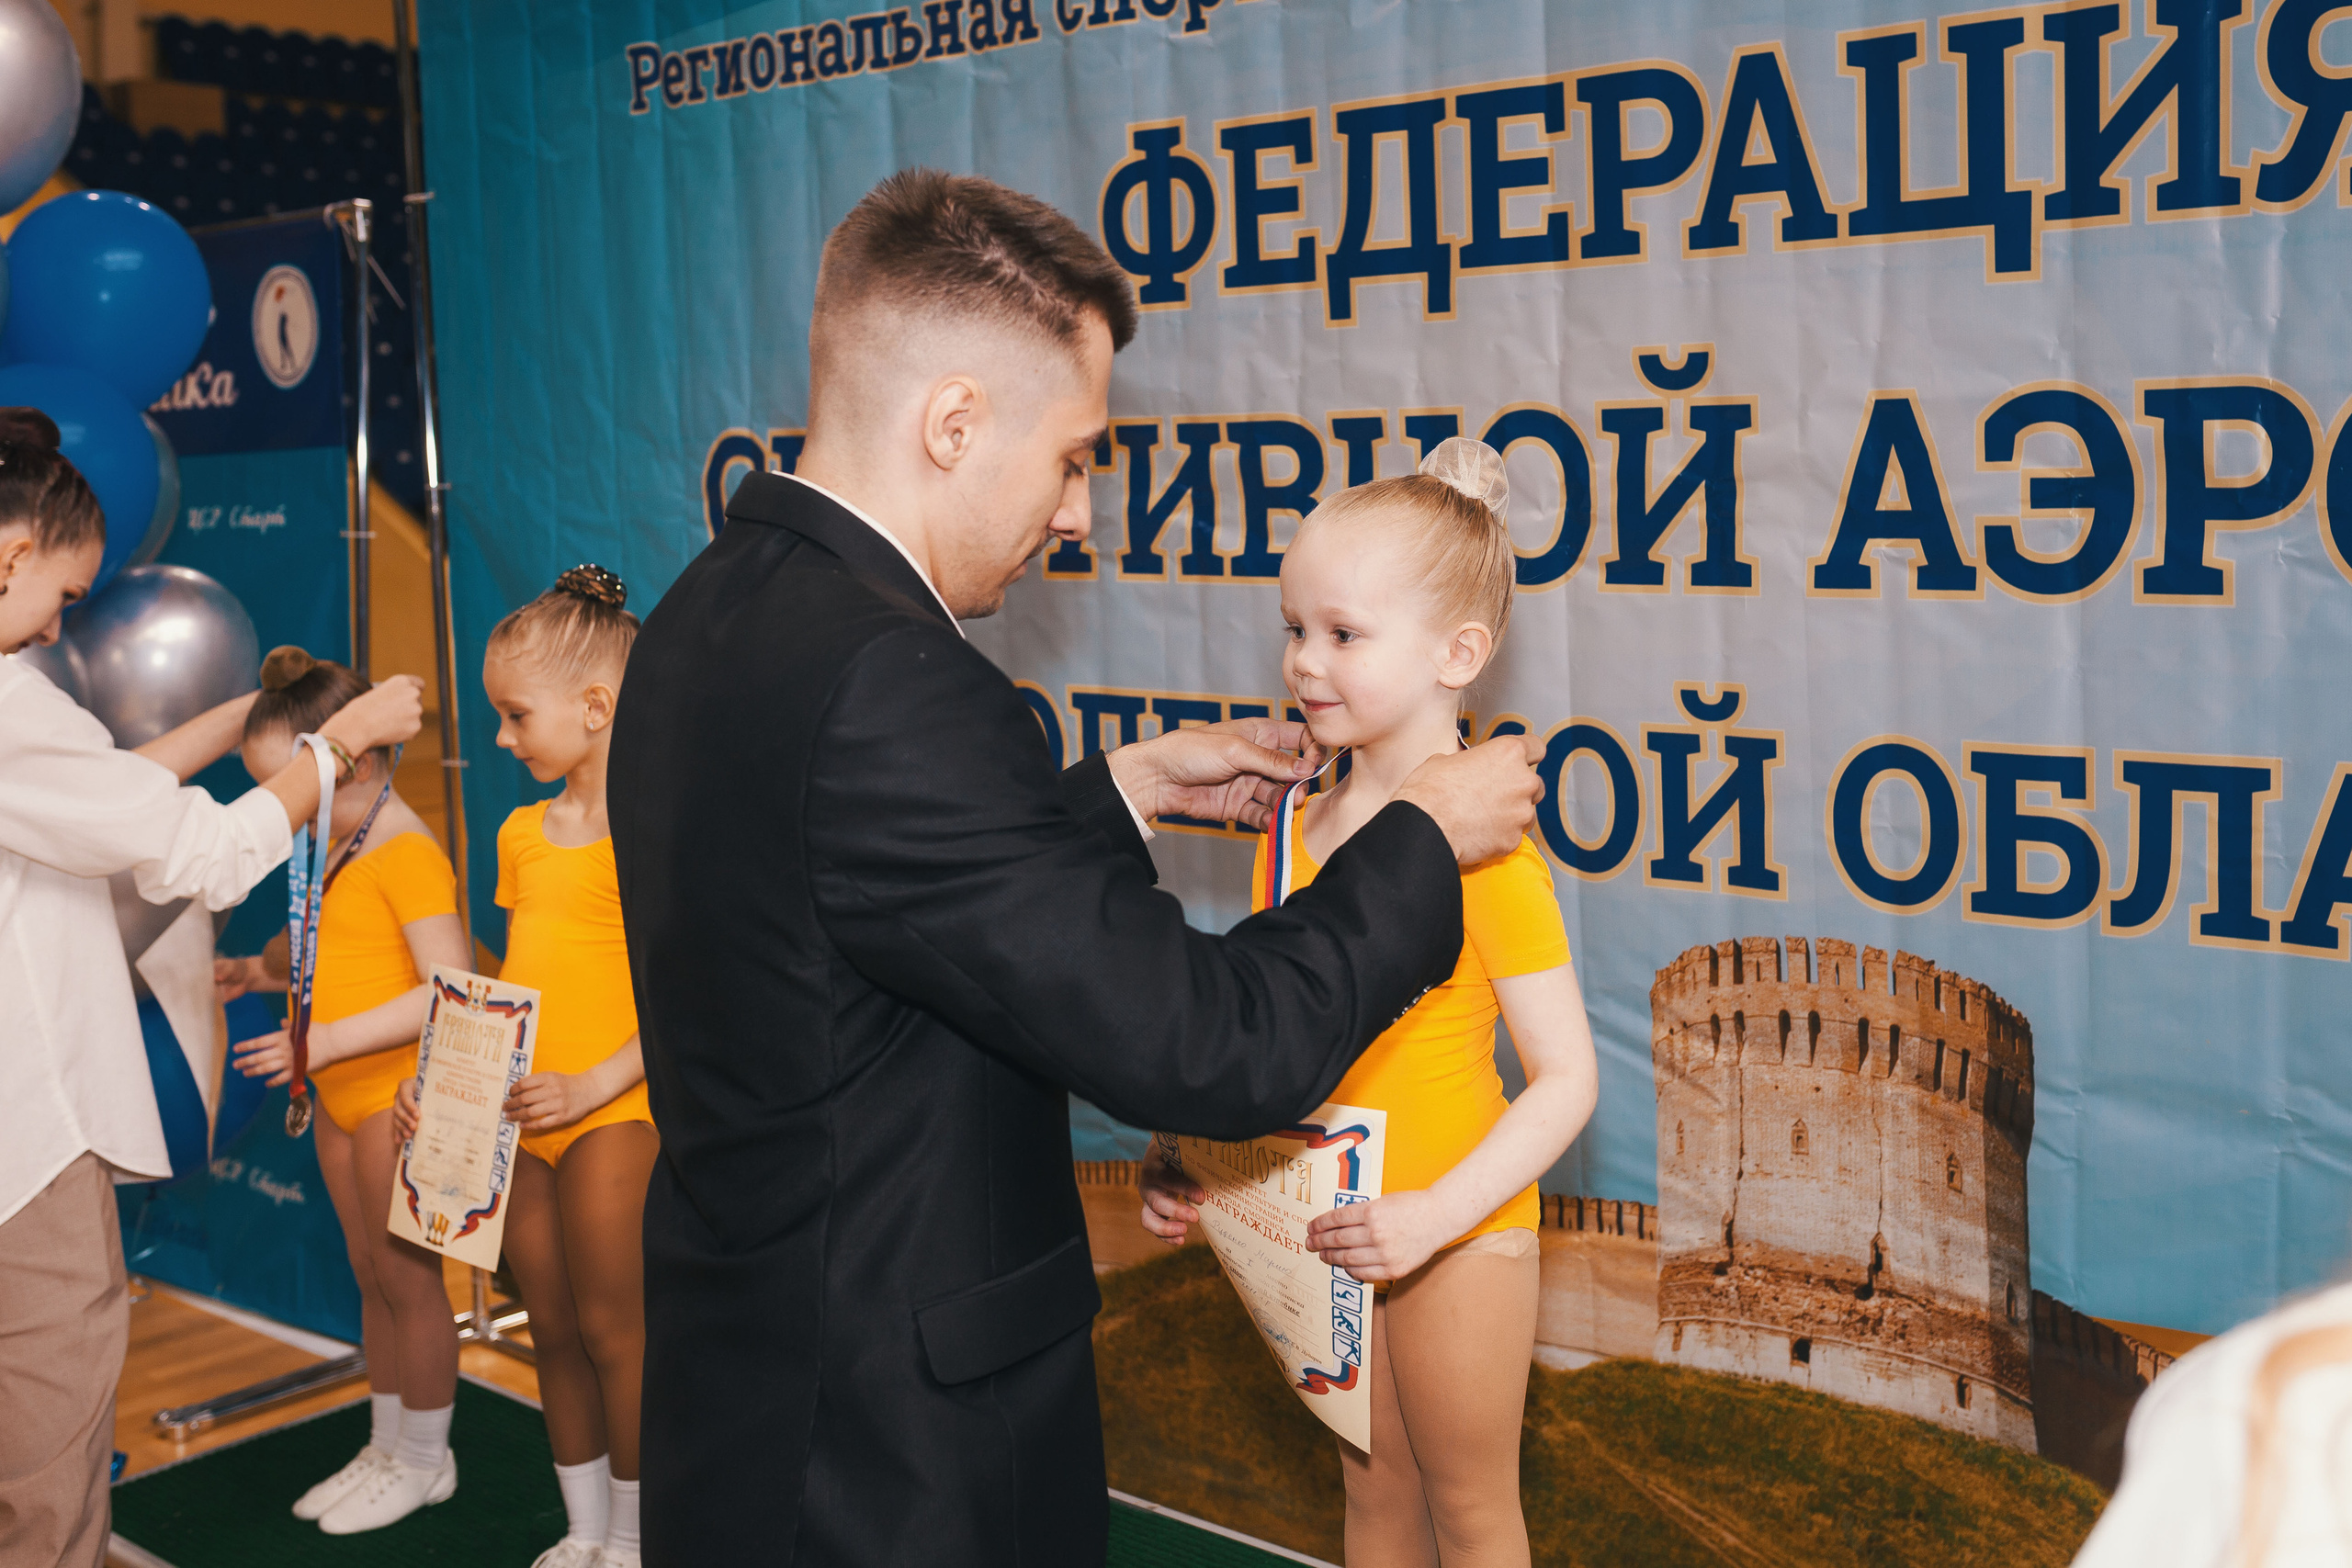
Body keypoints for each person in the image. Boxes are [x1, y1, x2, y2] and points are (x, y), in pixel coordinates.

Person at [606, 169, 1544, 1566]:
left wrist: (1123, 789)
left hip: (751, 1394)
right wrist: (1420, 837)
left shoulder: (712, 607)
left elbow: (859, 896)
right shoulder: (895, 682)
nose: (1078, 515)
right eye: (1071, 458)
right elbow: (1210, 1046)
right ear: (953, 423)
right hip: (891, 1459)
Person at [1139, 438, 1600, 1568]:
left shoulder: (1488, 853)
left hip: (1457, 1235)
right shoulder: (1292, 823)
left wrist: (1433, 1219)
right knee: (1373, 1496)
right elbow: (1273, 1026)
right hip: (1327, 1227)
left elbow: (1568, 1081)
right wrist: (1195, 1149)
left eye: (1343, 634)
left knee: (1471, 1509)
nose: (1303, 661)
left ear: (1459, 654)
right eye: (1294, 627)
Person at [0, 408, 422, 1568]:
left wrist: (236, 722)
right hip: (24, 1140)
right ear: (12, 554)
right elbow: (205, 853)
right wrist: (339, 745)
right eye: (63, 597)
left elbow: (90, 795)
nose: (60, 625)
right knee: (47, 1436)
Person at [395, 565, 655, 1568]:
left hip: (616, 1112)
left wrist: (594, 1085)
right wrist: (447, 1081)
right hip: (521, 1117)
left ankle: (635, 1539)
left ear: (595, 707)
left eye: (515, 716)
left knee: (615, 1329)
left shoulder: (655, 831)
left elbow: (693, 994)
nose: (501, 739)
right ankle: (585, 1531)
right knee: (549, 1323)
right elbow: (510, 981)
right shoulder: (518, 834)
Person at [220, 647, 467, 1535]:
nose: (280, 807)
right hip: (336, 1095)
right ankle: (387, 1444)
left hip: (397, 1098)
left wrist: (319, 1040)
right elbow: (330, 946)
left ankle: (426, 1457)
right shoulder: (331, 843)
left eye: (289, 785)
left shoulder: (405, 848)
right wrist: (255, 972)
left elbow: (451, 987)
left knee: (409, 1281)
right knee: (371, 1275)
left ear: (353, 764)